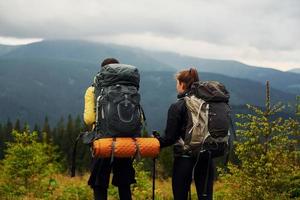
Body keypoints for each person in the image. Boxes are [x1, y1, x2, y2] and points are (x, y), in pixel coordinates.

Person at [157, 68, 215, 200]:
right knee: (206, 197)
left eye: (177, 83)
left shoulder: (177, 106)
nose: (177, 86)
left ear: (182, 84)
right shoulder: (209, 104)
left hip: (185, 159)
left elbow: (170, 138)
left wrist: (157, 142)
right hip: (207, 157)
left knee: (180, 196)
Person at [84, 58, 136, 200]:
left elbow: (89, 119)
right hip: (124, 140)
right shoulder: (129, 89)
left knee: (99, 183)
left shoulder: (93, 89)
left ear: (102, 71)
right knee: (124, 184)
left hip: (102, 140)